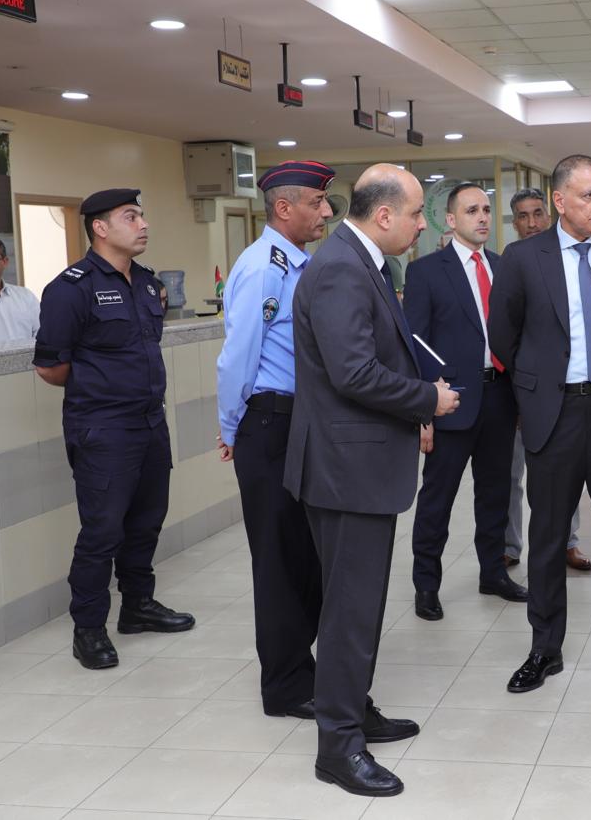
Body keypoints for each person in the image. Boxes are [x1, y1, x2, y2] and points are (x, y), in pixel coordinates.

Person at [283, 164, 459, 798]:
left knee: (359, 604)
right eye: (415, 215)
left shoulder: (365, 263)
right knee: (350, 610)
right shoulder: (340, 269)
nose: (422, 226)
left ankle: (354, 709)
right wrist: (427, 400)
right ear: (383, 215)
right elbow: (353, 372)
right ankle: (338, 747)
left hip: (356, 464)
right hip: (344, 469)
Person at [488, 154, 591, 696]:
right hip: (554, 413)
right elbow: (503, 336)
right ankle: (545, 648)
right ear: (559, 201)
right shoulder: (522, 258)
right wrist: (534, 390)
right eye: (589, 195)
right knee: (547, 537)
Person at [33, 188, 194, 671]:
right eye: (130, 216)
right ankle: (88, 629)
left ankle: (137, 606)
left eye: (142, 215)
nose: (143, 224)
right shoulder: (71, 289)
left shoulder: (146, 283)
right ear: (100, 228)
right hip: (103, 428)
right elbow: (50, 368)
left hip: (150, 422)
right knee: (102, 531)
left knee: (146, 521)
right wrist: (100, 388)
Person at [215, 160, 334, 720]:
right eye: (317, 202)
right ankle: (285, 686)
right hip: (269, 423)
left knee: (303, 555)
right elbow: (237, 357)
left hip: (296, 422)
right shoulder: (265, 267)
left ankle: (301, 667)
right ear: (284, 208)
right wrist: (230, 426)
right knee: (279, 560)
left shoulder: (299, 264)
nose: (326, 211)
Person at [404, 183, 526, 623]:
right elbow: (415, 342)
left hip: (499, 397)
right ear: (452, 220)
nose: (482, 217)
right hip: (449, 401)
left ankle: (493, 572)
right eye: (472, 210)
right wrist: (424, 409)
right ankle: (426, 584)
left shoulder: (503, 267)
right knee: (438, 498)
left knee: (495, 494)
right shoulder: (426, 272)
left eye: (487, 210)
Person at [502, 187, 591, 573]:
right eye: (522, 216)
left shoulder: (568, 259)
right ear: (515, 222)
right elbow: (504, 333)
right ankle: (510, 545)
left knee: (563, 473)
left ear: (550, 214)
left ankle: (568, 542)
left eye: (537, 213)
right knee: (511, 475)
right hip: (518, 389)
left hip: (560, 391)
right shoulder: (512, 261)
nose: (532, 223)